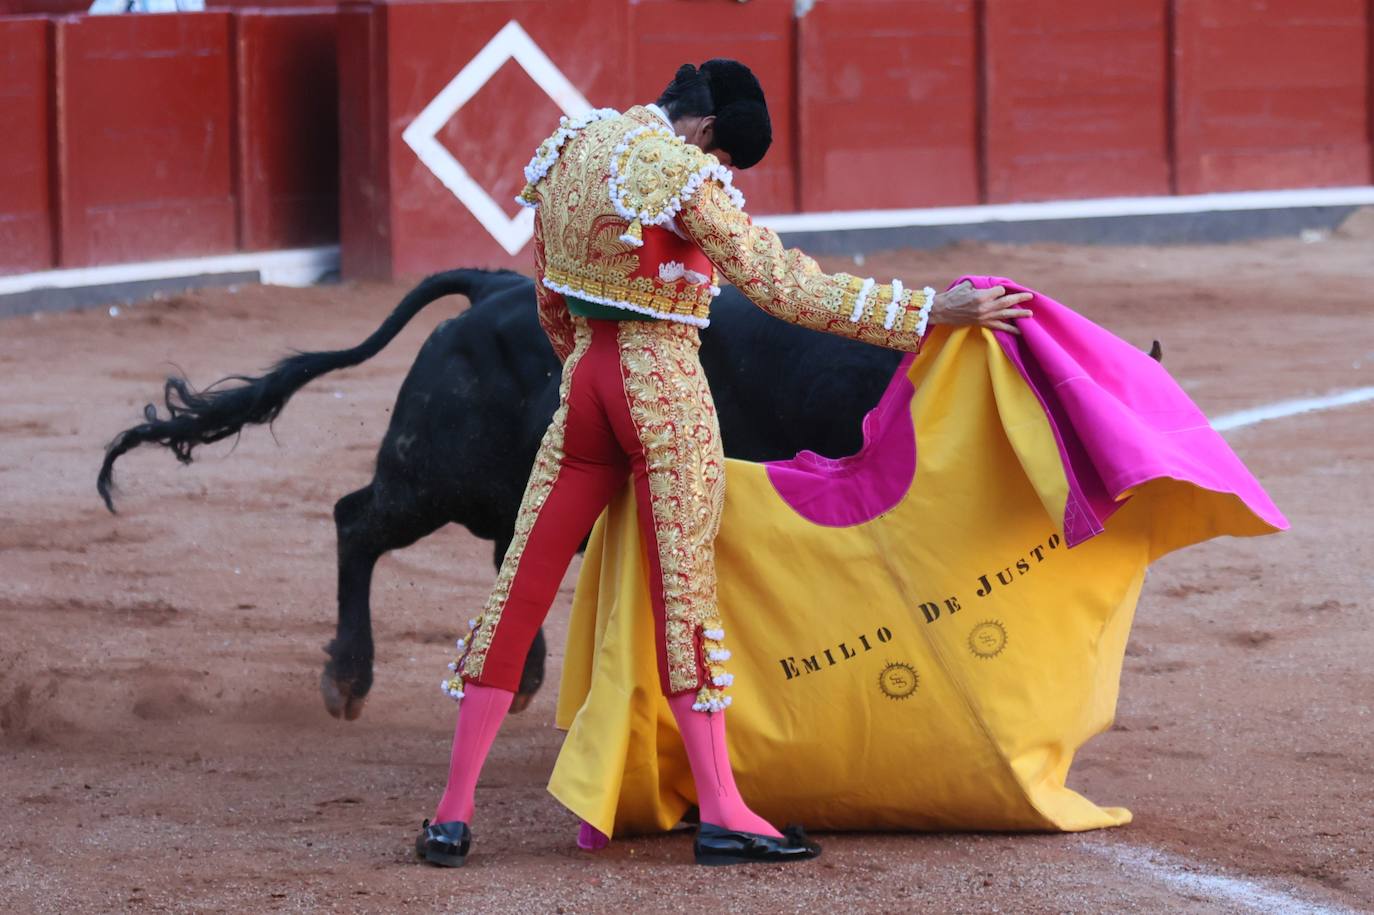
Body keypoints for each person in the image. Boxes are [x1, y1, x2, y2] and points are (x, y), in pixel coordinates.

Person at [415, 59, 1033, 868]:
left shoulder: (575, 146)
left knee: (521, 584)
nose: (724, 174)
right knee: (686, 594)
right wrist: (927, 312)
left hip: (587, 387)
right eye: (727, 160)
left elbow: (550, 293)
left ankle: (451, 814)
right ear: (705, 132)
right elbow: (781, 286)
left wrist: (583, 371)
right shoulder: (680, 173)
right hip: (664, 389)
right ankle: (722, 809)